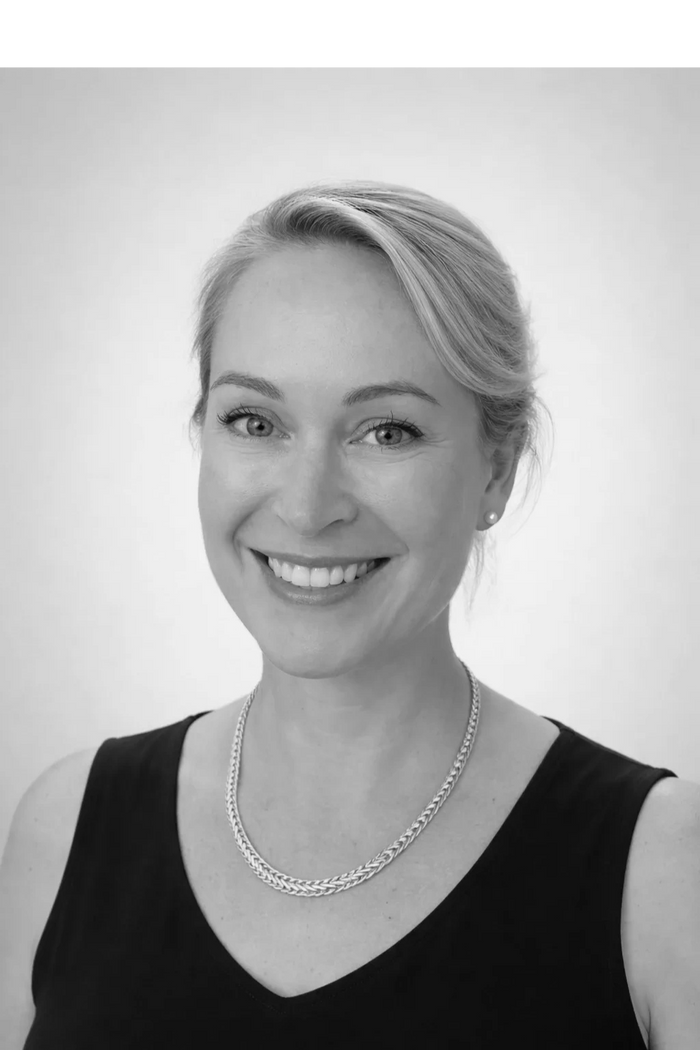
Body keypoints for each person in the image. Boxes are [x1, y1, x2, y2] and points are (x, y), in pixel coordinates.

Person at [1, 180, 698, 1048]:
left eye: (386, 431)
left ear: (496, 471)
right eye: (255, 420)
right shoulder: (64, 829)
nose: (306, 504)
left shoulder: (664, 872)